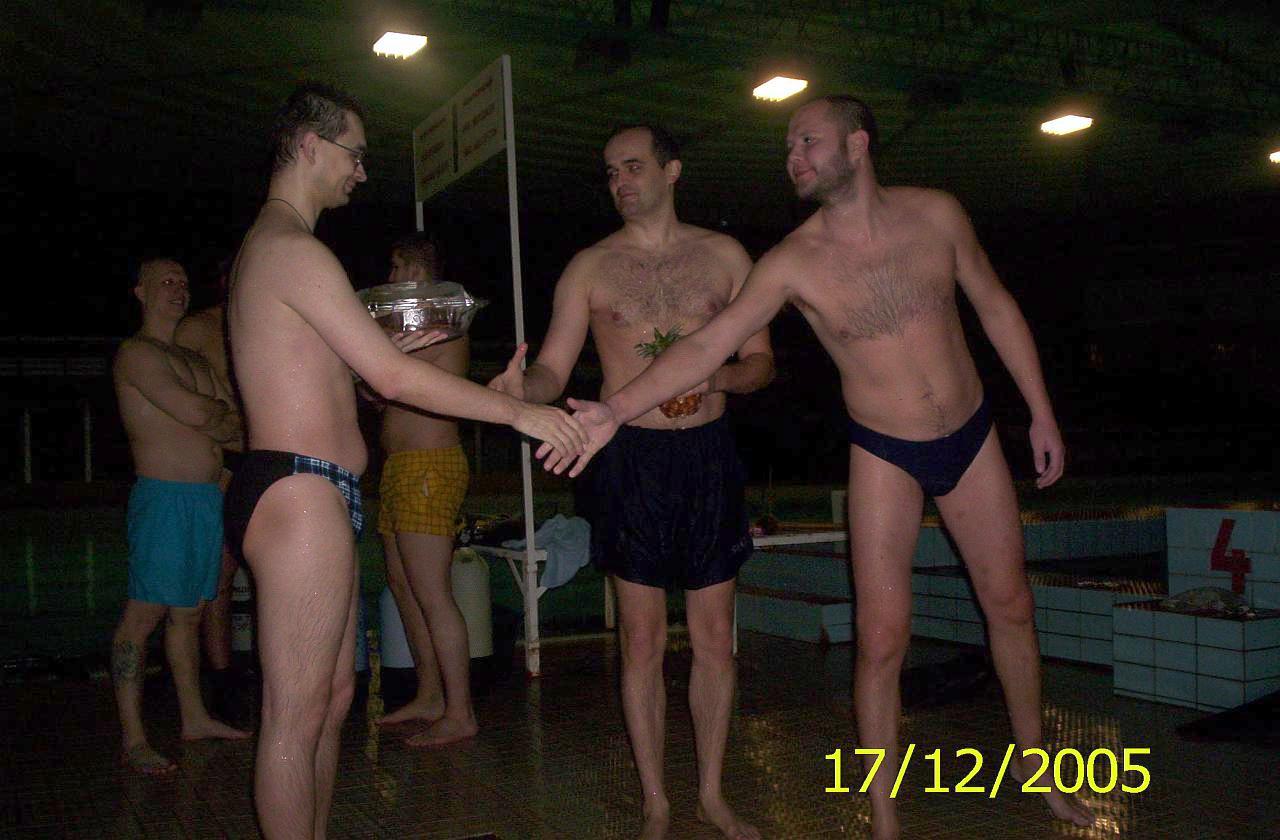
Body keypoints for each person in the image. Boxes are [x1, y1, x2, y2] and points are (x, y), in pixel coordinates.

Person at [552, 96, 1095, 838]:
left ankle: (1041, 771)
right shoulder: (790, 262)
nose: (793, 158)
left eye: (807, 142)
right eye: (788, 148)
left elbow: (995, 306)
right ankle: (884, 816)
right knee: (882, 638)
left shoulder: (937, 215)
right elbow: (706, 347)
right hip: (882, 450)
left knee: (1012, 606)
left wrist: (1041, 411)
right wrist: (614, 411)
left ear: (858, 145)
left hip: (971, 437)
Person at [222, 82, 586, 839]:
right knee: (295, 713)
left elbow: (351, 379)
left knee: (331, 700)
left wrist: (386, 355)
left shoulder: (279, 249)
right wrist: (519, 412)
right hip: (297, 488)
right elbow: (391, 382)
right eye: (353, 154)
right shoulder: (292, 249)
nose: (361, 172)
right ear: (310, 145)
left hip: (310, 485)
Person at [489, 124, 773, 840]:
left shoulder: (726, 256)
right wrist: (525, 390)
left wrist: (717, 378)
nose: (619, 182)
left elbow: (761, 362)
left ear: (672, 171)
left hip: (707, 455)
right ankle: (656, 803)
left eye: (633, 167)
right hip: (631, 459)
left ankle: (711, 794)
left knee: (714, 638)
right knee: (642, 641)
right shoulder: (590, 267)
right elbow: (554, 368)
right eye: (611, 171)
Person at [111, 256, 252, 775]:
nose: (178, 289)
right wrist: (212, 415)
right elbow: (201, 413)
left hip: (206, 497)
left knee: (189, 612)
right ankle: (133, 740)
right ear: (140, 291)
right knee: (143, 615)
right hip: (165, 499)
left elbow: (234, 427)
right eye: (166, 282)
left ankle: (194, 718)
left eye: (183, 282)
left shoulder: (193, 360)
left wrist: (213, 416)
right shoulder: (137, 354)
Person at [372, 233, 478, 747]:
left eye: (396, 268)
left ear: (415, 271)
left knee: (433, 592)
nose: (389, 278)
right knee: (403, 584)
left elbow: (389, 376)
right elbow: (381, 393)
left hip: (429, 467)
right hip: (399, 468)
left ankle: (461, 712)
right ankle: (431, 694)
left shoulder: (440, 323)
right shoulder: (405, 327)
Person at [174, 259, 241, 718]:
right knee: (216, 575)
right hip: (222, 459)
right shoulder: (199, 328)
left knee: (267, 570)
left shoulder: (262, 322)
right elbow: (179, 397)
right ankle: (221, 680)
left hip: (262, 456)